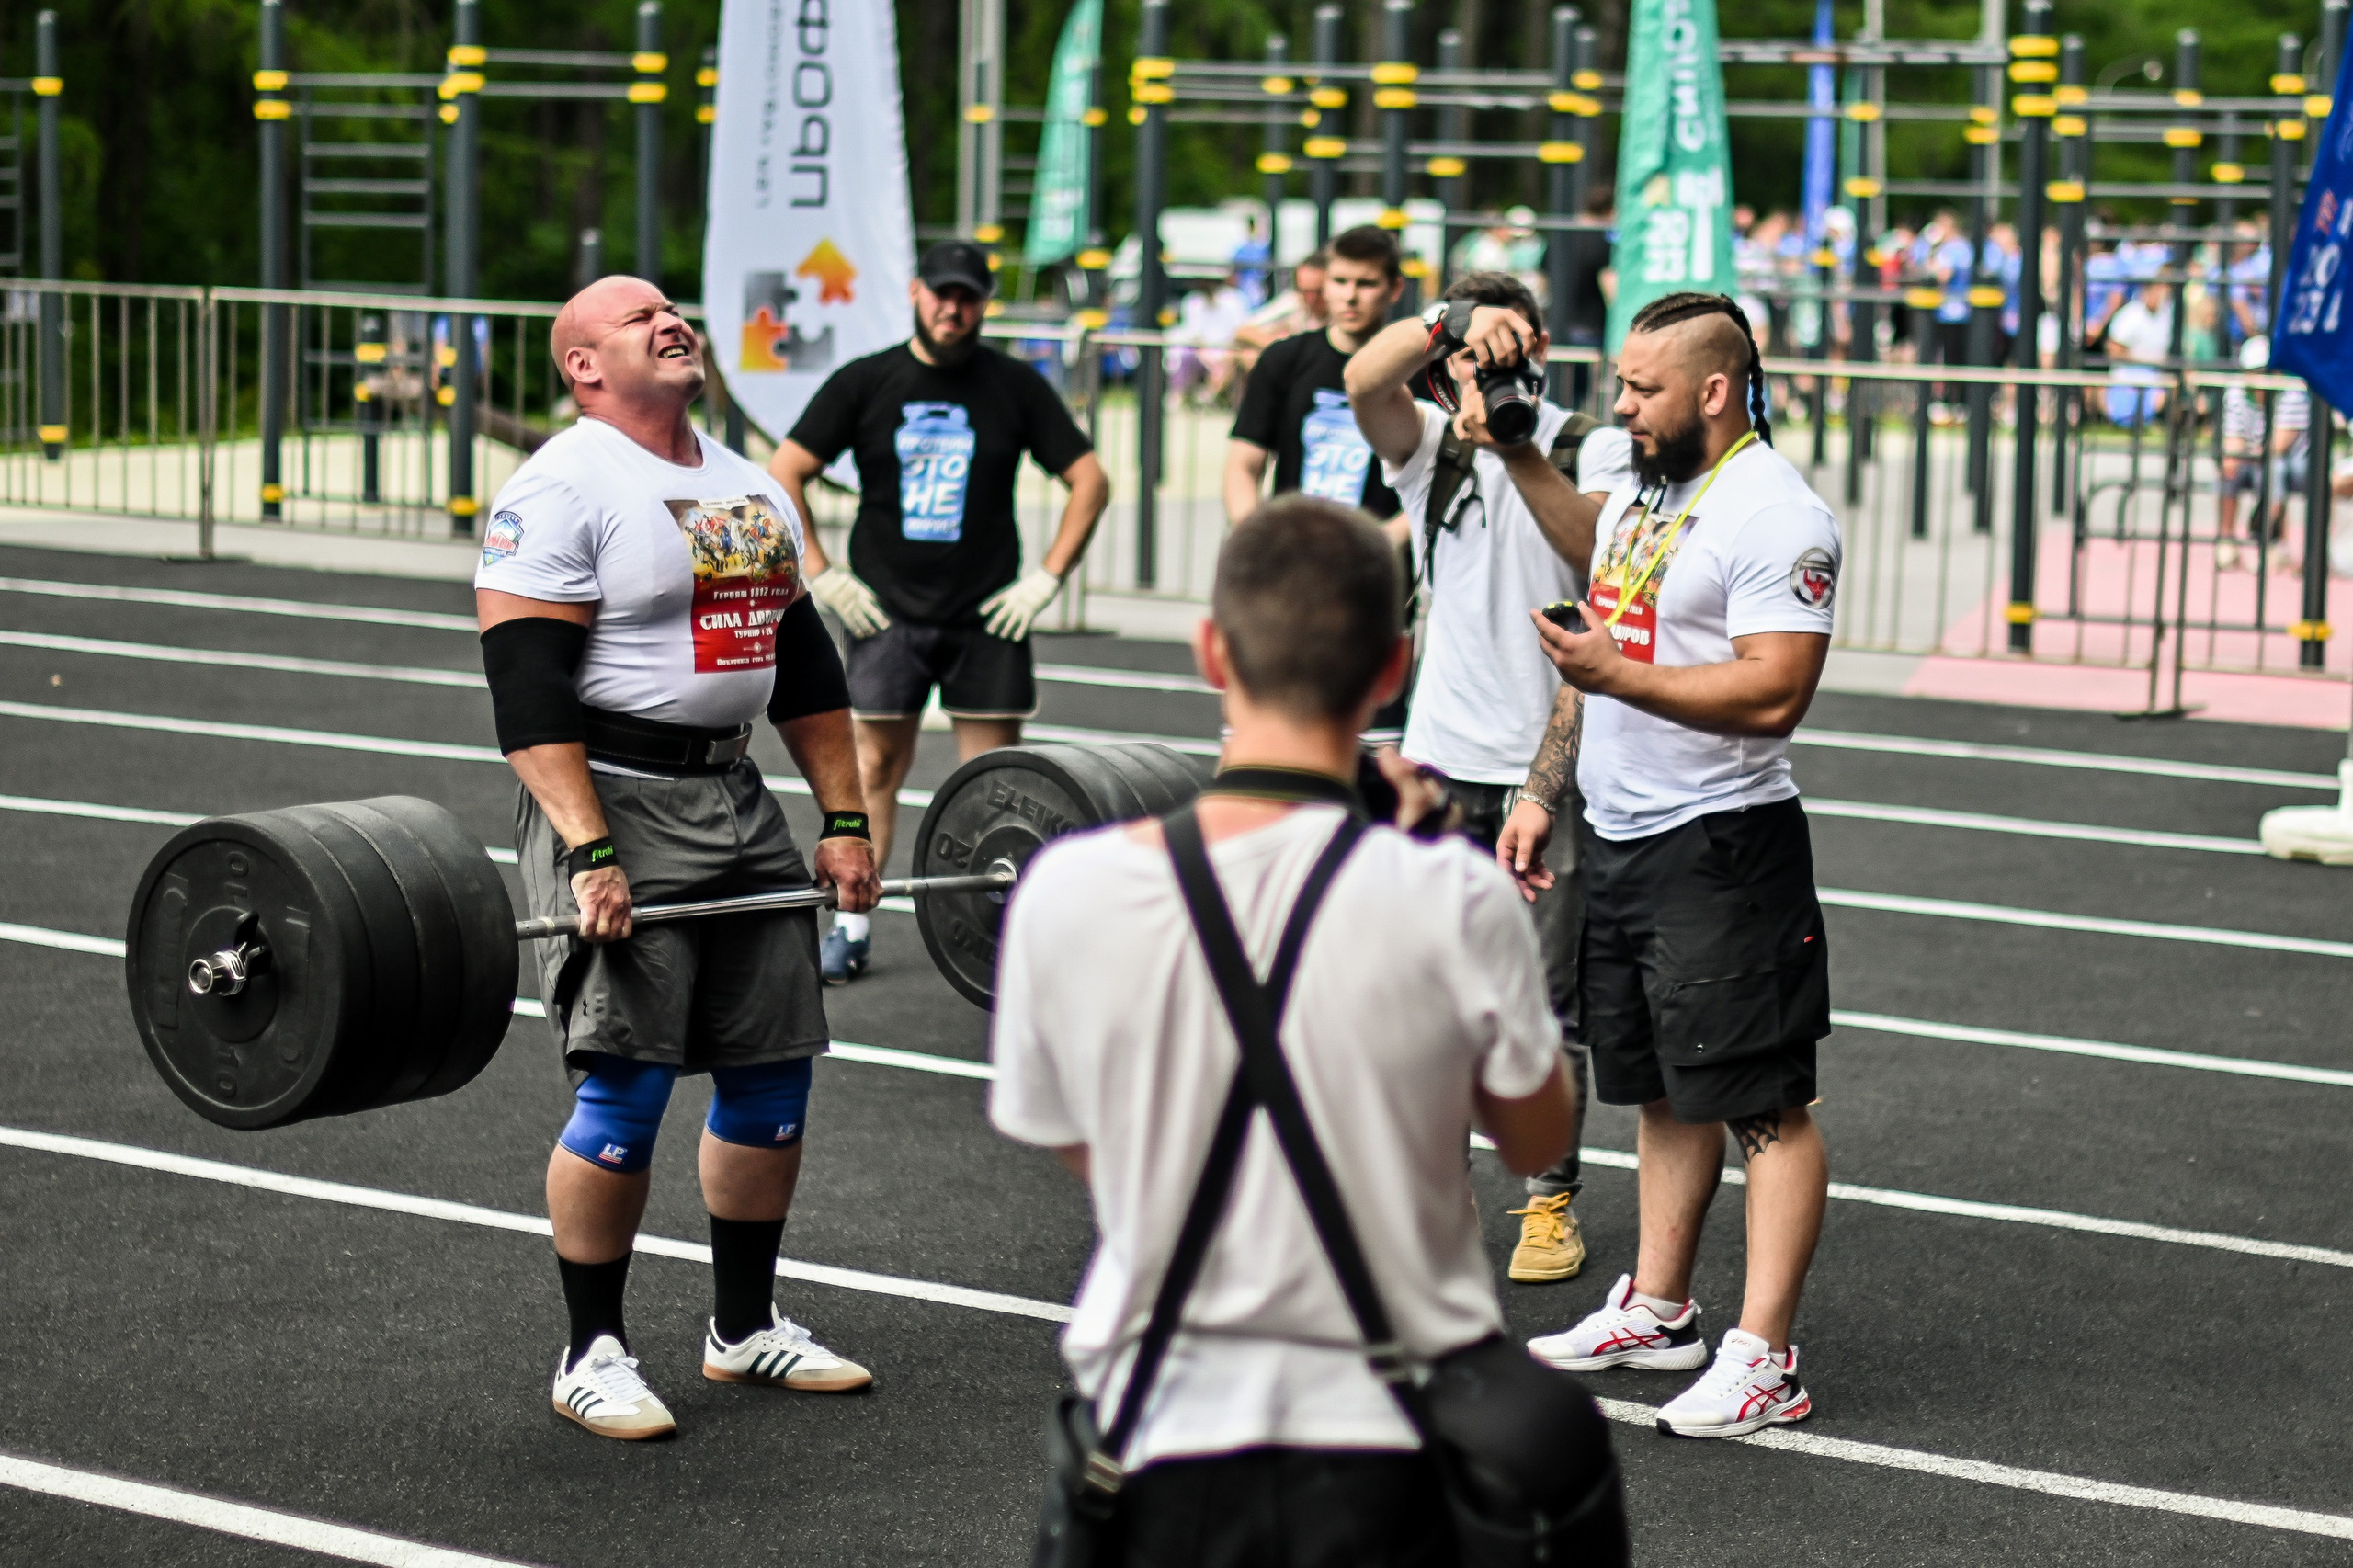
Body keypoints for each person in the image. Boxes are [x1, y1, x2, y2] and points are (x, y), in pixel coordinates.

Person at [990, 495, 1586, 1562]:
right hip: (1388, 1435)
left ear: (1211, 651)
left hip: (1152, 1426)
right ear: (1394, 667)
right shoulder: (1454, 893)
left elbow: (1082, 1139)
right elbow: (1538, 1139)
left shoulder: (1064, 889)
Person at [475, 276, 882, 1440]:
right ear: (582, 363)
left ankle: (741, 1327)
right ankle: (589, 1348)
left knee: (772, 1070)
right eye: (634, 315)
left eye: (672, 307)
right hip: (617, 796)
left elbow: (800, 666)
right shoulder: (561, 484)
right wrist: (587, 846)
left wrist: (844, 817)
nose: (670, 320)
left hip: (734, 790)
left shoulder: (745, 482)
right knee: (628, 1079)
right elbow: (527, 688)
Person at [1497, 289, 1837, 1440]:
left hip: (1723, 845)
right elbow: (1600, 620)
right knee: (1653, 1083)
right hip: (1623, 830)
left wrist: (1612, 677)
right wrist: (1544, 788)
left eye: (1642, 389)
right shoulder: (1648, 487)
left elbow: (1776, 690)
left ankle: (1765, 1356)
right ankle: (1659, 1307)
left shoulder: (1773, 510)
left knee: (1762, 1106)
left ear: (1712, 390)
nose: (1621, 406)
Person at [1345, 269, 1636, 1284]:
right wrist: (1444, 326)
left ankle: (1547, 1200)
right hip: (1435, 764)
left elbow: (1598, 549)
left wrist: (1511, 440)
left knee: (1543, 1003)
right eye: (1468, 359)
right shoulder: (1429, 448)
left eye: (1508, 349)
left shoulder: (1585, 441)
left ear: (1543, 344)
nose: (1487, 370)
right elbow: (1358, 377)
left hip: (1548, 770)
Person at [770, 239, 1111, 983]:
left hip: (986, 617)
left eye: (969, 296)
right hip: (885, 613)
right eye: (942, 293)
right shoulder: (867, 381)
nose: (953, 309)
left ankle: (998, 934)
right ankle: (853, 926)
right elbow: (786, 470)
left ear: (985, 302)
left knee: (995, 783)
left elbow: (1089, 479)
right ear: (917, 293)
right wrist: (821, 574)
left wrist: (1047, 579)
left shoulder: (1015, 385)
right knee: (871, 770)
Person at [1223, 225, 1406, 527]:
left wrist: (1385, 545)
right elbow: (1243, 465)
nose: (1350, 296)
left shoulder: (1415, 369)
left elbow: (1436, 484)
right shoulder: (1284, 359)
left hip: (1382, 561)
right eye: (1339, 281)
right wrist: (1255, 540)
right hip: (1292, 553)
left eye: (1366, 283)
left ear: (1395, 288)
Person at [2217, 334, 2309, 569]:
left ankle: (2270, 540)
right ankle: (2226, 541)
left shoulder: (2292, 391)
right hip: (2257, 456)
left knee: (2273, 470)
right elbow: (2234, 438)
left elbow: (2279, 445)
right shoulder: (2237, 392)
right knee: (2231, 469)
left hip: (2295, 463)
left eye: (2265, 371)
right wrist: (2233, 457)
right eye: (2255, 371)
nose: (2261, 378)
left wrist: (2247, 454)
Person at [1232, 249, 1332, 374]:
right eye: (1305, 291)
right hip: (1294, 375)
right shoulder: (1294, 303)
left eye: (1319, 292)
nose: (1311, 299)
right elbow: (1243, 331)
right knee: (1249, 356)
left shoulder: (1341, 312)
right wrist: (1284, 348)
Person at [2103, 278, 2175, 427]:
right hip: (2127, 374)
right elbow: (2113, 350)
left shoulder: (2167, 315)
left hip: (2155, 376)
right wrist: (2143, 359)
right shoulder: (2131, 314)